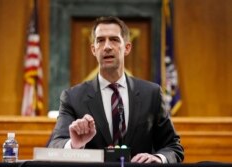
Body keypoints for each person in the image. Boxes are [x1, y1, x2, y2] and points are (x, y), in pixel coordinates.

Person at [48, 16, 184, 163]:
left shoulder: (151, 94)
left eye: (114, 39)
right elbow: (55, 147)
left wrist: (158, 158)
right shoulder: (72, 98)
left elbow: (173, 147)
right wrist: (74, 145)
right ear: (93, 50)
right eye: (100, 40)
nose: (107, 46)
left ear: (127, 48)